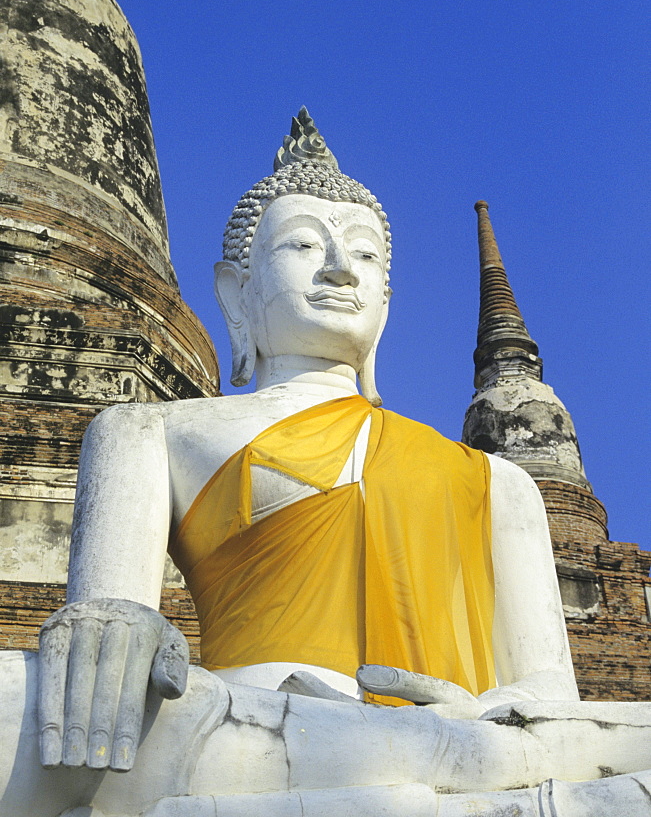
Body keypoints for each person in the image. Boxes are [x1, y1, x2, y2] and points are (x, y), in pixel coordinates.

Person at [5, 108, 649, 816]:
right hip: (239, 729)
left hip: (448, 740)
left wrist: (472, 721)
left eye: (366, 255)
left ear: (386, 301)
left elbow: (548, 704)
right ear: (235, 291)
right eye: (304, 245)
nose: (342, 269)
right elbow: (108, 640)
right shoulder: (146, 430)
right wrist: (111, 628)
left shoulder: (498, 482)